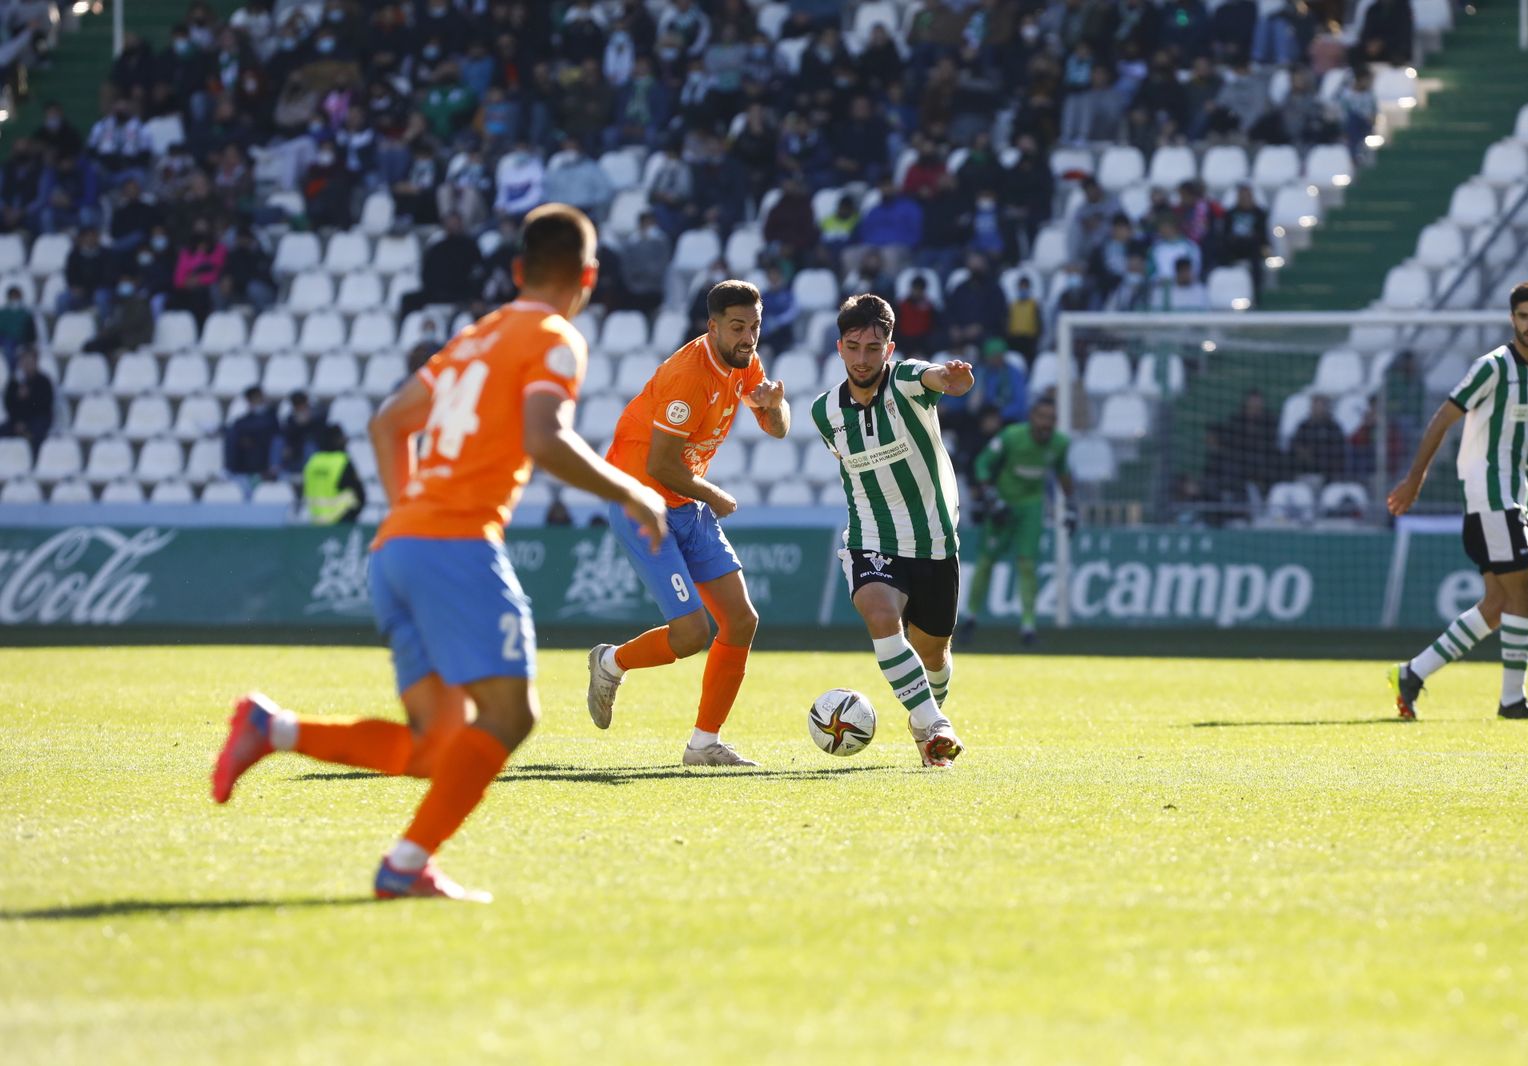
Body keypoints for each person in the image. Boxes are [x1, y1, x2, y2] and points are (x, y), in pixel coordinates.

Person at [211, 204, 669, 902]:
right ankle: (404, 865)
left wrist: (407, 512)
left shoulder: (473, 337)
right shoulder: (554, 336)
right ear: (590, 276)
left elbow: (388, 422)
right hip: (455, 546)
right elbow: (545, 440)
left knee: (435, 746)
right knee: (511, 717)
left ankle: (270, 728)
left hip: (396, 549)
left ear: (517, 270)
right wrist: (633, 493)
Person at [586, 280, 791, 767]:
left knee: (741, 620)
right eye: (738, 327)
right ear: (712, 326)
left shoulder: (745, 362)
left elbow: (779, 428)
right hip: (643, 501)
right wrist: (713, 493)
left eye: (755, 327)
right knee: (691, 634)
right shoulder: (688, 376)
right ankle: (611, 661)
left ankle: (704, 745)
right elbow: (660, 464)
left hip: (684, 500)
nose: (748, 337)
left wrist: (773, 405)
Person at [1386, 281, 1528, 722]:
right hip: (1490, 498)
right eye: (1523, 316)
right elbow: (1442, 419)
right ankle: (1512, 701)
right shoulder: (1492, 367)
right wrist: (1414, 478)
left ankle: (1412, 673)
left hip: (1513, 501)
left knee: (1497, 605)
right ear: (1512, 319)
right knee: (1526, 594)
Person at [810, 294, 974, 767]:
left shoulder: (906, 382)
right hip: (872, 539)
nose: (864, 358)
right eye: (854, 346)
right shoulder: (826, 413)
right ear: (839, 348)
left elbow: (937, 376)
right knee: (880, 616)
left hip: (935, 542)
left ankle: (925, 721)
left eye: (874, 347)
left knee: (935, 657)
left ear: (890, 347)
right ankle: (936, 727)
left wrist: (953, 379)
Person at [960, 398, 1073, 648]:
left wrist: (1071, 507)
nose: (1046, 423)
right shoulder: (1011, 437)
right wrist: (991, 498)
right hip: (1004, 502)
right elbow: (982, 463)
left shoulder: (1060, 444)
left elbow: (1063, 473)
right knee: (986, 562)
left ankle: (1028, 627)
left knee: (1027, 565)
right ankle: (970, 618)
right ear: (1032, 417)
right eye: (1042, 417)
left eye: (1051, 419)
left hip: (1032, 508)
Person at [302, 424, 366, 524]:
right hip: (341, 522)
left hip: (316, 522)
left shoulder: (312, 462)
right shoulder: (342, 461)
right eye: (341, 438)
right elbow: (360, 495)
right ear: (336, 440)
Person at [223, 385, 280, 493]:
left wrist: (248, 437)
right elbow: (239, 426)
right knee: (232, 435)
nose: (257, 401)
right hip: (246, 463)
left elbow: (263, 428)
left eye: (258, 397)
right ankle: (229, 470)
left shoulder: (272, 416)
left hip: (264, 459)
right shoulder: (245, 419)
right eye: (254, 399)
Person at [1, 347, 54, 456]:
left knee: (37, 433)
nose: (26, 364)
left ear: (36, 361)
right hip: (17, 421)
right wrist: (17, 421)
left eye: (29, 360)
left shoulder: (43, 381)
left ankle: (34, 462)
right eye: (24, 360)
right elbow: (8, 404)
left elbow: (45, 405)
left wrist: (29, 397)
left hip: (38, 419)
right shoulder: (15, 382)